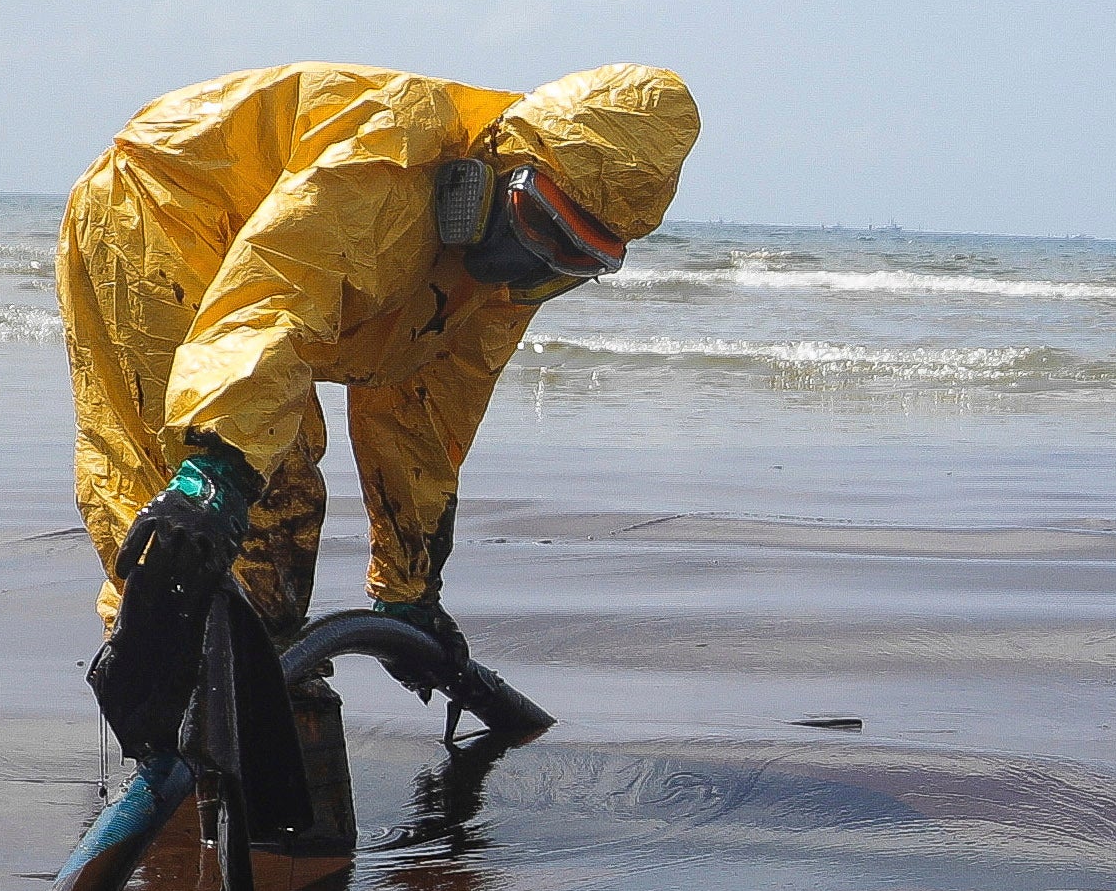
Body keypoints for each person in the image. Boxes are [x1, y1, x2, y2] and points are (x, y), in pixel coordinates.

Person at [59, 63, 700, 647]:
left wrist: (408, 583)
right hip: (160, 210)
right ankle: (157, 673)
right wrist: (217, 471)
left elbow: (421, 417)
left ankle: (263, 676)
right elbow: (275, 299)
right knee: (193, 488)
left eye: (572, 258)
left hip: (255, 271)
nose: (533, 263)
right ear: (497, 167)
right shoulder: (393, 150)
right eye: (536, 224)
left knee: (276, 511)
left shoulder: (509, 278)